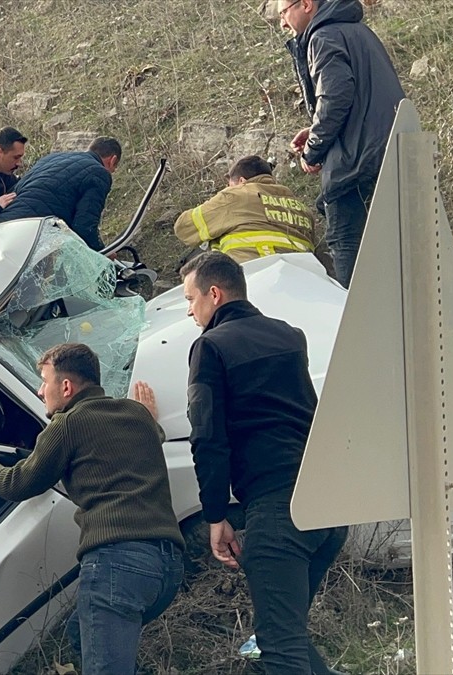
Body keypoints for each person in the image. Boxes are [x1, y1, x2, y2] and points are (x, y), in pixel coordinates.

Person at [135, 252, 347, 673]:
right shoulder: (290, 336)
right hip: (328, 508)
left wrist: (215, 515)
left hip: (278, 512)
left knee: (279, 649)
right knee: (282, 637)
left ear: (214, 294)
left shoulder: (210, 347)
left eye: (191, 299)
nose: (190, 311)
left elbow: (207, 437)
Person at [0, 343, 183, 675]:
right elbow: (153, 435)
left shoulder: (67, 424)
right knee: (80, 637)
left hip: (117, 565)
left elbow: (18, 483)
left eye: (44, 381)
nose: (40, 391)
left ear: (66, 387)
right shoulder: (136, 414)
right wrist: (149, 419)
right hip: (167, 568)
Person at [281, 0, 404, 287]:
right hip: (386, 148)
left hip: (355, 161)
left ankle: (355, 319)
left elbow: (335, 97)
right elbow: (360, 98)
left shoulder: (322, 37)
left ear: (307, 4)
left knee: (344, 240)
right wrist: (315, 128)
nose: (283, 24)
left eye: (283, 14)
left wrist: (313, 149)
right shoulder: (359, 32)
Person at [174, 155, 316, 262]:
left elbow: (183, 227)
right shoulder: (303, 209)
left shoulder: (235, 195)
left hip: (251, 276)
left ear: (241, 181)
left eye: (230, 184)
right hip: (303, 280)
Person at [0, 137, 123, 251]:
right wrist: (103, 252)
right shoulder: (99, 173)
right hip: (29, 235)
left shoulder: (52, 158)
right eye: (113, 169)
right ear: (113, 160)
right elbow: (84, 227)